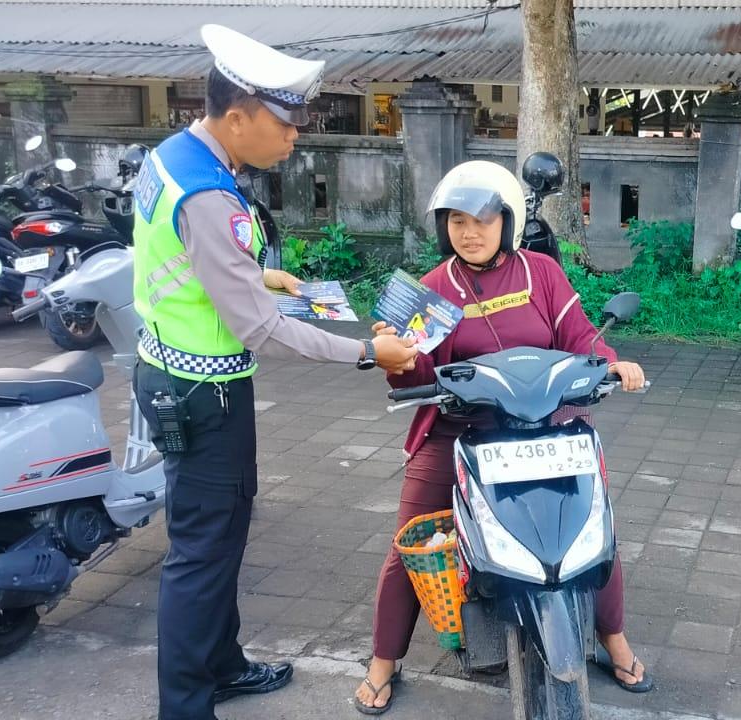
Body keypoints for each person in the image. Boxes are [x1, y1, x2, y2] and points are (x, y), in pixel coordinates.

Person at [129, 23, 418, 720]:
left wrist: (258, 274)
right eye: (286, 124)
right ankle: (186, 706)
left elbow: (189, 265)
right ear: (237, 117)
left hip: (177, 375)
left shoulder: (175, 158)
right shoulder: (209, 195)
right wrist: (362, 353)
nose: (295, 139)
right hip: (203, 395)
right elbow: (257, 328)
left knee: (222, 538)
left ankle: (220, 665)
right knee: (200, 556)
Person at [353, 160, 654, 714]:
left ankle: (612, 638)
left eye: (483, 220)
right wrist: (396, 356)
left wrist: (612, 364)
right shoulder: (432, 290)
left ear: (508, 222)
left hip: (547, 422)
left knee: (593, 527)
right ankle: (383, 659)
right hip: (462, 429)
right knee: (412, 538)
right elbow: (419, 375)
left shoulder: (542, 273)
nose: (469, 232)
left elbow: (580, 336)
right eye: (457, 221)